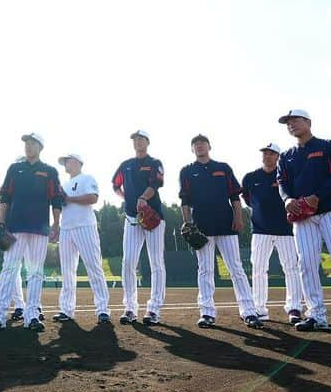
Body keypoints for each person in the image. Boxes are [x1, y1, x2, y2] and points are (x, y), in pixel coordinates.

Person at [276, 109, 331, 335]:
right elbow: (283, 183)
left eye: (295, 120)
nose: (291, 124)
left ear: (308, 122)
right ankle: (316, 315)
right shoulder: (286, 156)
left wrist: (318, 196)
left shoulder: (328, 145)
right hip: (303, 217)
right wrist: (287, 200)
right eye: (288, 122)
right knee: (306, 265)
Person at [178, 135, 264, 329]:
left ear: (209, 146)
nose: (200, 146)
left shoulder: (223, 168)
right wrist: (187, 223)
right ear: (192, 149)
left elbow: (235, 196)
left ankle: (249, 311)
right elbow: (185, 199)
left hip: (226, 224)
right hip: (201, 226)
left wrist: (239, 217)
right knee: (205, 270)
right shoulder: (187, 171)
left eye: (203, 143)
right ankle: (207, 312)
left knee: (236, 268)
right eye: (196, 145)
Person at [0, 134, 64, 333]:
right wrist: (1, 221)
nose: (28, 146)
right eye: (26, 143)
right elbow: (4, 195)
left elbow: (56, 199)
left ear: (40, 147)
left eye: (32, 143)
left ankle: (32, 315)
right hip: (15, 226)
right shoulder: (14, 168)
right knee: (9, 269)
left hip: (40, 228)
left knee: (36, 273)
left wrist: (56, 224)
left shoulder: (50, 171)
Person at [241, 142, 306, 323]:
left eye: (271, 153)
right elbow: (248, 200)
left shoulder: (286, 176)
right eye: (265, 153)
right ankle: (259, 309)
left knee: (291, 269)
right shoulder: (250, 177)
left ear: (278, 156)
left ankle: (294, 308)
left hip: (286, 230)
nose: (267, 156)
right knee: (259, 270)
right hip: (260, 230)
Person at [112, 130, 167, 325]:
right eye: (135, 139)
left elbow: (156, 183)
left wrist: (143, 198)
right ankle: (130, 308)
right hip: (132, 219)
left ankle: (154, 309)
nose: (137, 142)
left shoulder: (154, 163)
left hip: (153, 217)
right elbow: (115, 184)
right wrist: (125, 198)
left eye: (141, 139)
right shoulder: (126, 165)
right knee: (128, 262)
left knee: (156, 263)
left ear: (147, 142)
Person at [51, 154, 112, 325]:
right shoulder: (63, 185)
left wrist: (69, 198)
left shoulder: (86, 178)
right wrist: (55, 226)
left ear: (78, 162)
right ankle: (66, 309)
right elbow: (60, 206)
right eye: (64, 162)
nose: (65, 164)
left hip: (85, 227)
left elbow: (93, 198)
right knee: (67, 271)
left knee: (94, 267)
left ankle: (103, 310)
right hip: (66, 228)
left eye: (67, 161)